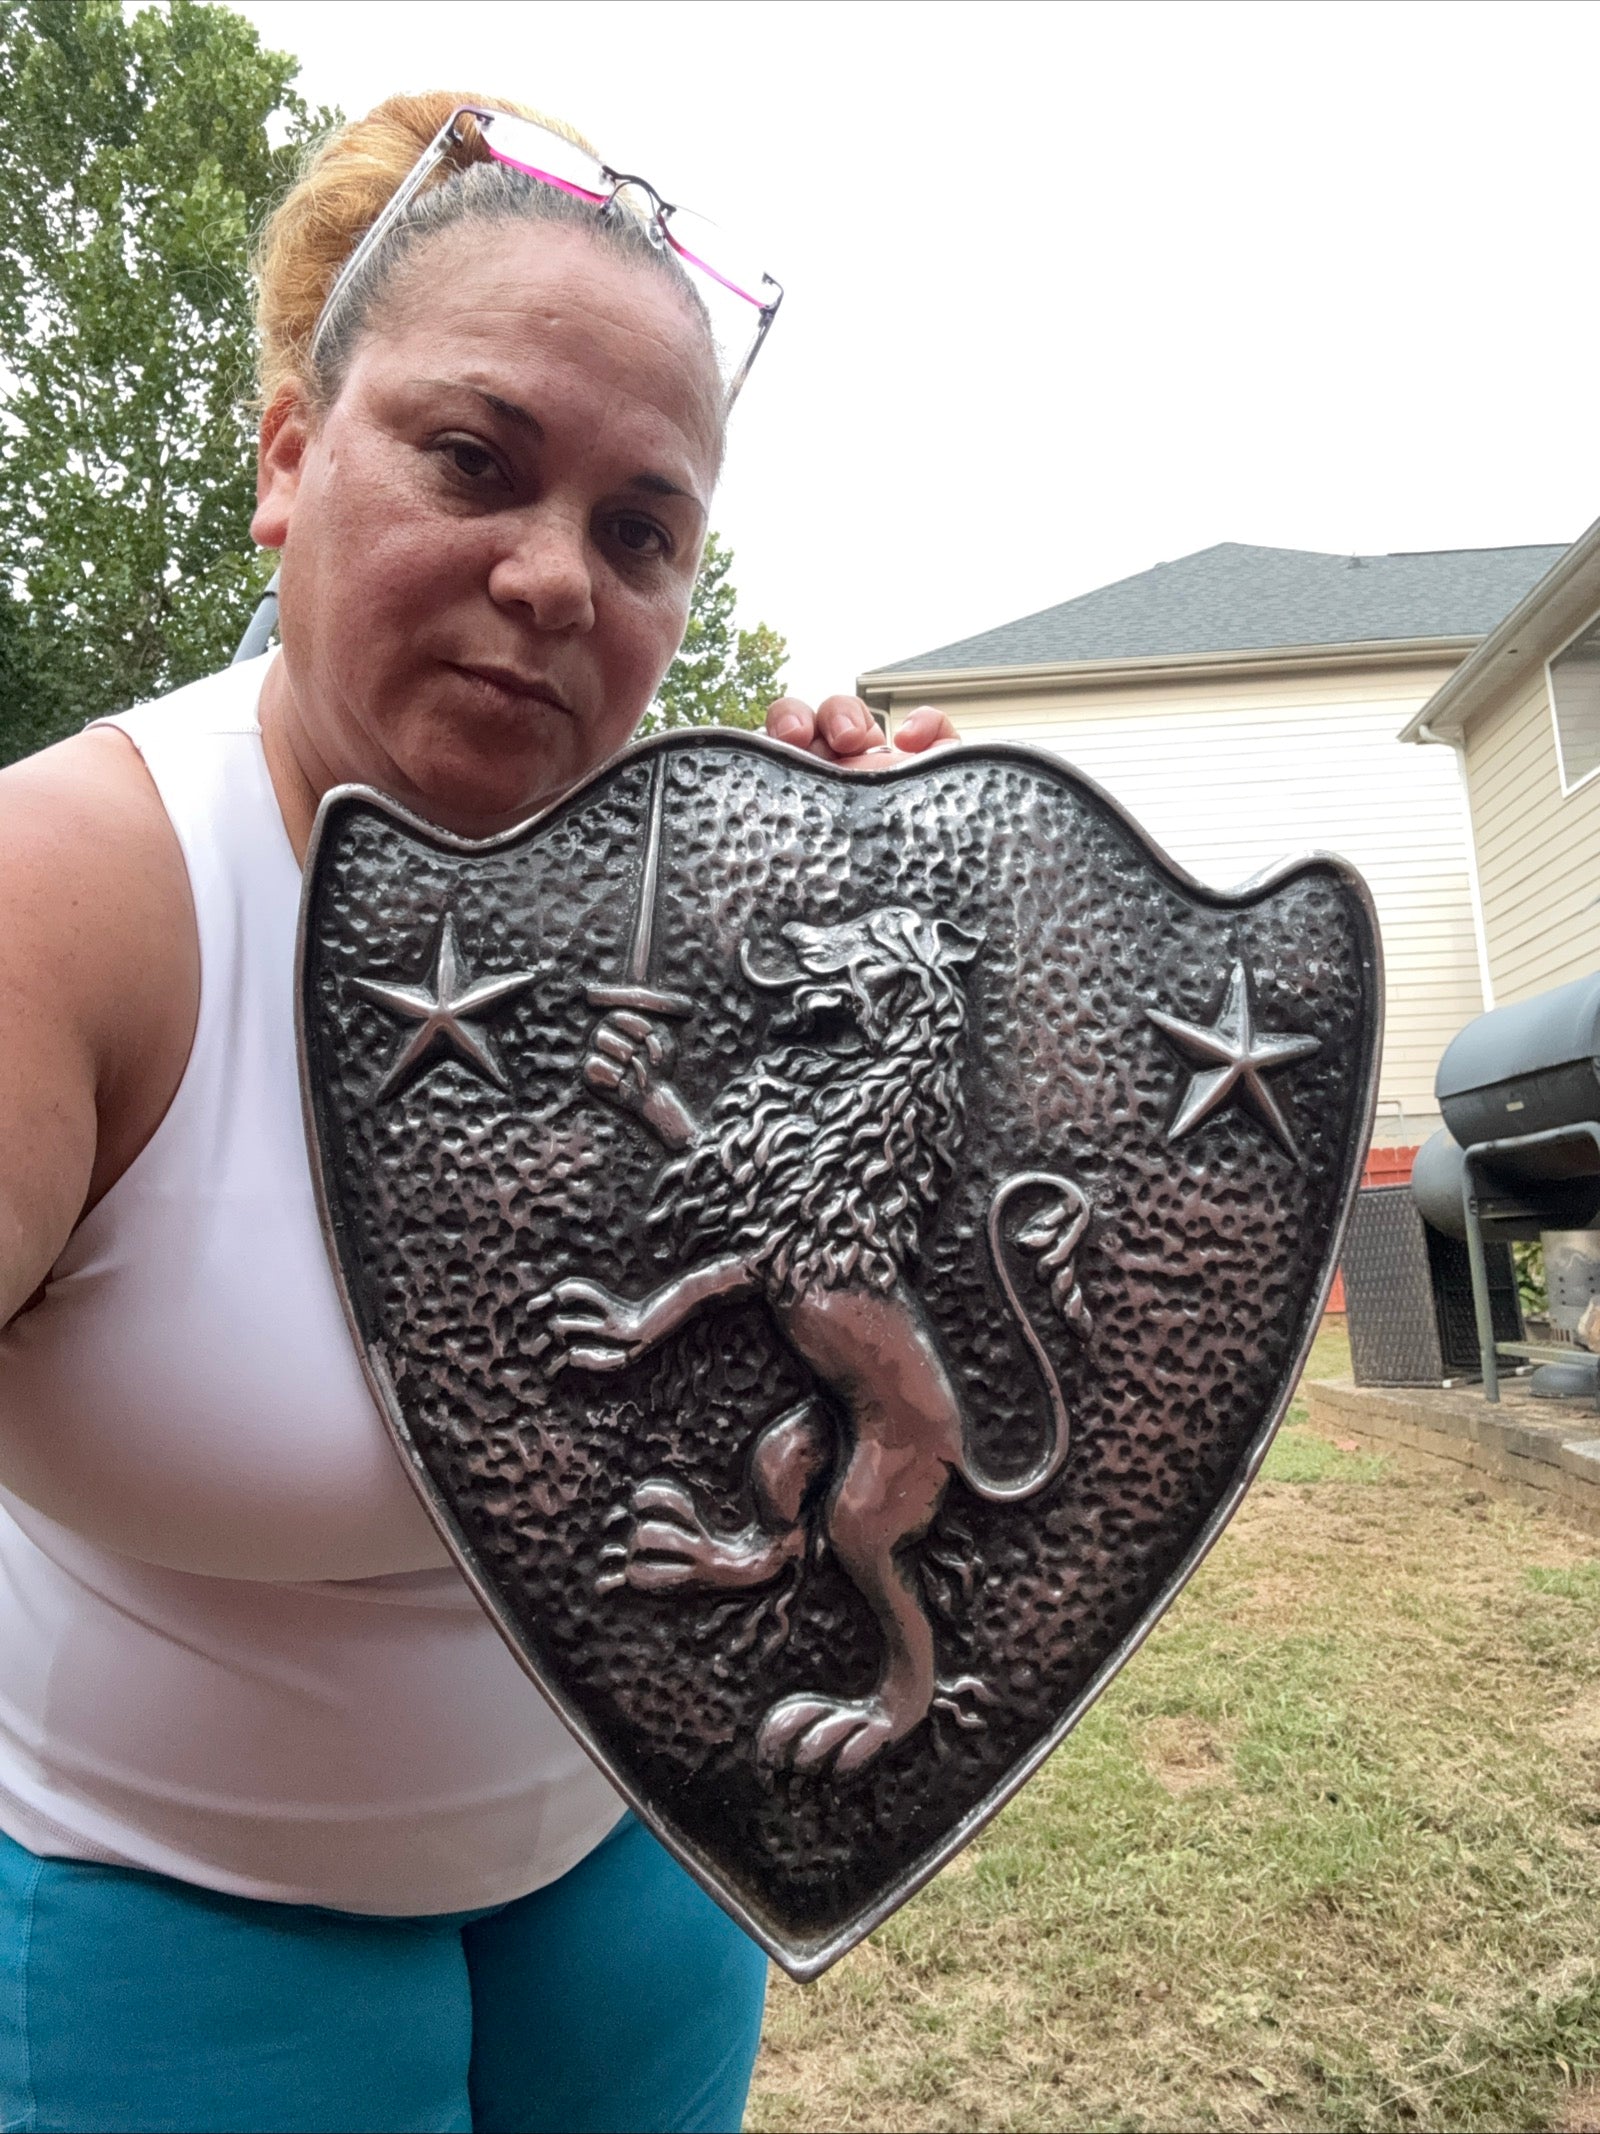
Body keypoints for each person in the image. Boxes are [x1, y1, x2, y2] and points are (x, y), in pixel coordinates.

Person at [0, 89, 956, 2134]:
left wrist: (936, 892)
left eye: (638, 529)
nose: (549, 579)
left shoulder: (704, 895)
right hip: (157, 1924)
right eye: (470, 460)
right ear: (282, 459)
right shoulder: (68, 897)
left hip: (638, 1877)